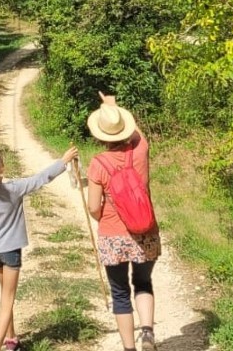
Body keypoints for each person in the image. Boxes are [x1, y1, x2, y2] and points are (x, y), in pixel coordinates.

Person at [0, 143, 80, 351]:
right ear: (0, 166)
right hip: (11, 253)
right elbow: (41, 178)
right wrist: (63, 161)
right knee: (7, 302)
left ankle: (11, 339)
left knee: (5, 295)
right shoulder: (14, 188)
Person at [86, 92, 161, 351]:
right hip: (145, 232)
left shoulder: (98, 164)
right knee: (143, 283)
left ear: (100, 135)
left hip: (113, 235)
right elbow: (137, 133)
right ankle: (148, 333)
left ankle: (129, 347)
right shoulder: (141, 150)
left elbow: (94, 207)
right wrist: (114, 107)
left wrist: (102, 217)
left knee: (120, 294)